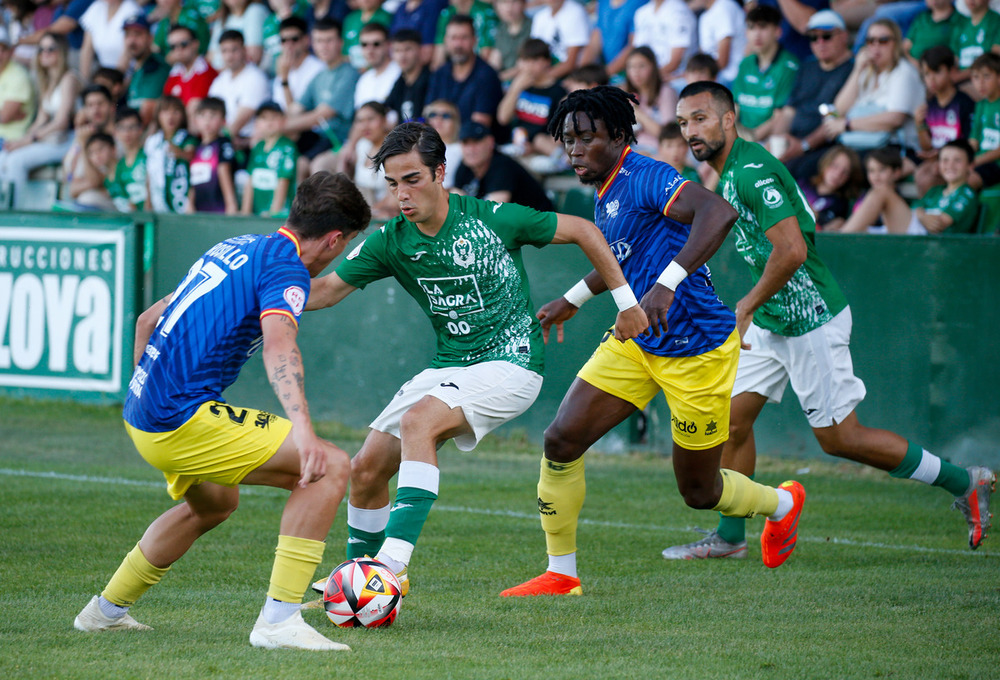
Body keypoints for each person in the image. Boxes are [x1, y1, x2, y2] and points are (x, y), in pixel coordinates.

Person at [304, 120, 647, 596]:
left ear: (440, 172)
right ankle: (359, 579)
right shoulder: (390, 240)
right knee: (365, 469)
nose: (401, 195)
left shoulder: (494, 219)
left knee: (419, 423)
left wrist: (628, 304)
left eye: (412, 179)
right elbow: (323, 292)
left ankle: (391, 567)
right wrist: (256, 293)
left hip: (512, 363)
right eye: (391, 184)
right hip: (451, 368)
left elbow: (586, 231)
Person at [662, 82, 994, 561]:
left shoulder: (751, 173)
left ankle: (966, 481)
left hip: (810, 319)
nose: (691, 130)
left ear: (729, 118)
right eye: (683, 122)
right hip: (777, 319)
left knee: (842, 439)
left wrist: (746, 304)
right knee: (731, 421)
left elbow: (794, 250)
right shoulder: (729, 172)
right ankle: (731, 537)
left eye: (700, 118)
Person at [501, 86, 807, 598]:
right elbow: (624, 253)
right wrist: (574, 297)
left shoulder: (646, 174)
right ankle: (562, 574)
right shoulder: (605, 187)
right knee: (561, 439)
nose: (574, 150)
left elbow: (717, 214)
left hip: (697, 349)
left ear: (619, 136)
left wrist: (667, 284)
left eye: (586, 138)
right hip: (638, 341)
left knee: (699, 491)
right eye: (567, 140)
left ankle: (781, 505)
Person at [72, 171, 371, 652]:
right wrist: (306, 432)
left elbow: (149, 319)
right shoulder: (287, 268)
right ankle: (278, 623)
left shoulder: (236, 246)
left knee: (214, 504)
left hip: (143, 409)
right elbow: (279, 345)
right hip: (178, 417)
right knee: (330, 465)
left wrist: (146, 388)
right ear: (335, 238)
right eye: (348, 243)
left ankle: (103, 613)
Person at [771, 9, 855, 182]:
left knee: (793, 170)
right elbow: (789, 111)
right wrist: (776, 141)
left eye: (827, 36)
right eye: (813, 38)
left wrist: (803, 146)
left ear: (844, 36)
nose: (820, 42)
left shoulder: (853, 70)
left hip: (827, 145)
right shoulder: (807, 66)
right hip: (794, 141)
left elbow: (835, 118)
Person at [822, 19, 925, 157]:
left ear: (896, 43)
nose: (876, 46)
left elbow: (895, 119)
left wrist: (847, 125)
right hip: (860, 145)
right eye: (871, 40)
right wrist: (857, 71)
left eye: (883, 40)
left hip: (893, 149)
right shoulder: (867, 71)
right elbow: (838, 109)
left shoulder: (904, 72)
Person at [0, 32, 78, 209]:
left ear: (62, 52)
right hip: (52, 139)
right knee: (5, 155)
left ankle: (16, 212)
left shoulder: (69, 78)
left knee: (15, 161)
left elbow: (61, 122)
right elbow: (41, 119)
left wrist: (30, 140)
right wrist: (21, 141)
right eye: (41, 49)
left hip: (68, 141)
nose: (45, 53)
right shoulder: (47, 80)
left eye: (51, 49)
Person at [842, 138, 980, 234]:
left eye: (957, 161)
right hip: (917, 232)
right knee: (861, 232)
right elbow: (915, 209)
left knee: (882, 191)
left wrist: (921, 214)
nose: (950, 165)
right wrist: (921, 215)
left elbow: (938, 225)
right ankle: (839, 238)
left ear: (970, 166)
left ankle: (837, 241)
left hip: (932, 244)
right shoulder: (936, 191)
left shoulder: (966, 193)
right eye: (945, 160)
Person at [283, 18, 358, 177]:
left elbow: (321, 115)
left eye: (329, 40)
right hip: (321, 139)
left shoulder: (349, 73)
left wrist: (279, 128)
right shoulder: (319, 76)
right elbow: (294, 110)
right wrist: (284, 79)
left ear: (340, 42)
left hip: (341, 140)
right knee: (297, 164)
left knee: (318, 167)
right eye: (319, 41)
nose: (323, 46)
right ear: (313, 44)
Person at [732, 5, 801, 143]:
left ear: (778, 31)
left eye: (763, 27)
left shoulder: (789, 66)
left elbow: (779, 116)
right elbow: (735, 106)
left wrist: (749, 140)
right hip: (739, 138)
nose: (756, 34)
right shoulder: (746, 63)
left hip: (766, 141)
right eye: (751, 28)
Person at [914, 45, 975, 196]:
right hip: (937, 159)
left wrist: (941, 156)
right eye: (927, 74)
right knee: (921, 174)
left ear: (951, 71)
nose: (931, 79)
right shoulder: (930, 105)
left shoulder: (964, 103)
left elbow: (969, 143)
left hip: (957, 161)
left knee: (927, 175)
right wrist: (919, 124)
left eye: (937, 72)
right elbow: (927, 146)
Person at [454, 120, 555, 211]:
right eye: (466, 143)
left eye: (476, 142)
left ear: (490, 142)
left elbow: (492, 212)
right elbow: (454, 201)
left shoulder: (502, 165)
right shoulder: (465, 166)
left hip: (539, 227)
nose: (470, 150)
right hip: (513, 227)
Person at [495, 38, 566, 162]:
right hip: (516, 146)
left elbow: (557, 138)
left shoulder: (558, 92)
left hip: (542, 152)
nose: (528, 66)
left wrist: (533, 148)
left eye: (534, 60)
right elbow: (503, 118)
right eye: (525, 60)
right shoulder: (519, 86)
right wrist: (515, 89)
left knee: (540, 141)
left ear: (547, 61)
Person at [426, 15, 503, 128]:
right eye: (453, 38)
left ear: (474, 40)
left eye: (464, 38)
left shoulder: (487, 75)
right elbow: (428, 113)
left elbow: (479, 126)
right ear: (446, 41)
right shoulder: (440, 73)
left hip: (473, 143)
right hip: (442, 140)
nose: (458, 45)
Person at [208, 29, 271, 148]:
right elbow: (210, 112)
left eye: (234, 50)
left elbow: (239, 122)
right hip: (223, 140)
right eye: (224, 51)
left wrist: (216, 143)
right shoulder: (219, 80)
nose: (229, 56)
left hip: (247, 143)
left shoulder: (256, 77)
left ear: (244, 50)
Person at [242, 101, 299, 217]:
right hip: (258, 214)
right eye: (264, 118)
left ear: (283, 121)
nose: (269, 122)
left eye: (274, 117)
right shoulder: (257, 147)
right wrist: (245, 212)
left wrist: (274, 213)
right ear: (256, 123)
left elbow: (284, 180)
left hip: (280, 216)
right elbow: (250, 180)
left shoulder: (287, 147)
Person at [144, 95, 197, 213]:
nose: (170, 116)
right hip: (158, 203)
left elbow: (191, 154)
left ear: (183, 115)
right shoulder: (152, 141)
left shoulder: (187, 138)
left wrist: (180, 153)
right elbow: (149, 174)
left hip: (181, 202)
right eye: (165, 111)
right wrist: (148, 203)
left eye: (176, 111)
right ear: (158, 115)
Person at [188, 97, 239, 214]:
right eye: (202, 115)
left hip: (219, 212)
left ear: (223, 120)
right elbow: (194, 179)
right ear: (195, 120)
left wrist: (231, 206)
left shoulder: (223, 144)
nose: (207, 121)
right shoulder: (196, 146)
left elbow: (224, 172)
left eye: (213, 115)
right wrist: (189, 204)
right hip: (198, 212)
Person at [623, 46, 677, 155]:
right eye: (631, 67)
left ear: (653, 67)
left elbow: (668, 136)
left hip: (658, 151)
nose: (636, 72)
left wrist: (638, 114)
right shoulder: (629, 95)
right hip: (634, 148)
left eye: (641, 66)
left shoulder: (665, 92)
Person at [799, 144, 863, 231]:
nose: (837, 174)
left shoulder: (840, 204)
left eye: (845, 172)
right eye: (835, 166)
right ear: (826, 163)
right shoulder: (803, 183)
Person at [630, 0, 697, 83]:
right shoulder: (641, 12)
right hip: (647, 78)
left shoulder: (679, 11)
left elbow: (675, 62)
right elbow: (638, 53)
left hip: (675, 77)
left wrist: (649, 78)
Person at [123, 14, 171, 127]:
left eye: (138, 35)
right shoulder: (132, 67)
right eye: (128, 35)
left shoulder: (157, 66)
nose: (132, 41)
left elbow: (148, 109)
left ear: (150, 38)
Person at [163, 24, 219, 120]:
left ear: (195, 44)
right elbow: (164, 106)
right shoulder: (175, 72)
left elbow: (193, 111)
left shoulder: (207, 72)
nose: (178, 50)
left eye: (183, 44)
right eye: (173, 46)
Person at [78, 0, 141, 79]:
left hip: (128, 76)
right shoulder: (97, 7)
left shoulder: (132, 10)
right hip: (104, 74)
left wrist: (112, 83)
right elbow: (87, 50)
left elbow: (127, 53)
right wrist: (84, 80)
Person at [529, 0, 588, 82]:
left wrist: (539, 80)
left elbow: (570, 64)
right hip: (545, 74)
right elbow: (532, 55)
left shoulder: (575, 12)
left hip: (571, 76)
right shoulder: (540, 16)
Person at [384, 28, 431, 123]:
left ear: (420, 50)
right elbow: (385, 108)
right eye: (397, 50)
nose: (402, 56)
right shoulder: (400, 82)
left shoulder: (432, 80)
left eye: (407, 49)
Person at [968, 53, 1000, 191]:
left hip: (996, 163)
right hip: (980, 161)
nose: (980, 83)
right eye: (976, 77)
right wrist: (963, 157)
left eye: (986, 76)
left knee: (967, 181)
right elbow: (973, 141)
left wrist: (975, 161)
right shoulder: (980, 105)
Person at [106, 107, 148, 212]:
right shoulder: (119, 166)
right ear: (115, 132)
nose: (127, 132)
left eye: (132, 127)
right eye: (122, 128)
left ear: (140, 129)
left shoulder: (148, 156)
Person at [206, 0, 270, 69]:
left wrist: (222, 73)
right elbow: (209, 57)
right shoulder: (222, 19)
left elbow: (253, 56)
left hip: (247, 75)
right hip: (225, 76)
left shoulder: (255, 10)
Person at [698, 0, 748, 86]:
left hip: (732, 76)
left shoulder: (723, 6)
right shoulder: (705, 15)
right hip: (716, 74)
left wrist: (699, 76)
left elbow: (723, 62)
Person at [0, 26, 36, 146]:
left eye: (4, 49)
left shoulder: (18, 75)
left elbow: (4, 117)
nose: (0, 54)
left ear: (11, 51)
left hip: (9, 138)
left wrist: (6, 115)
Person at [353, 22, 401, 109]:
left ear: (388, 45)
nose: (370, 50)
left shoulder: (400, 72)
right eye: (364, 45)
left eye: (376, 44)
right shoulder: (364, 79)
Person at [342, 0, 393, 70]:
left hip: (379, 67)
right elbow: (344, 50)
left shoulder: (387, 18)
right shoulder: (350, 18)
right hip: (352, 69)